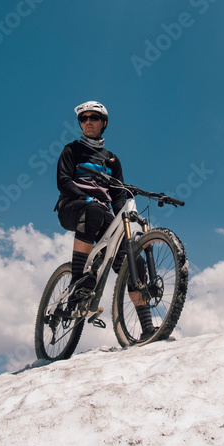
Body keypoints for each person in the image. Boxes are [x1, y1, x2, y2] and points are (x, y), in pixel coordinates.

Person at [55, 100, 155, 339]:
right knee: (95, 210)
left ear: (104, 123)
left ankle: (147, 329)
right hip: (72, 206)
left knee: (135, 262)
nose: (88, 121)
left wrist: (125, 219)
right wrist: (86, 198)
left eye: (94, 118)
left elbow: (118, 195)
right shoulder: (72, 150)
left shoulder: (112, 160)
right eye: (84, 118)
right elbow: (63, 181)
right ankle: (77, 284)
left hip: (102, 214)